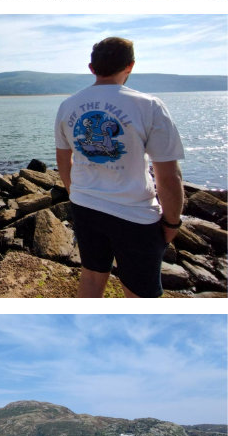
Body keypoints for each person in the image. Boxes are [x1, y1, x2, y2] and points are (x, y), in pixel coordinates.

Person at [54, 37, 185, 298]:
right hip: (135, 215)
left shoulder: (67, 106)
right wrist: (173, 222)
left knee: (91, 277)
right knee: (140, 294)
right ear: (131, 65)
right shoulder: (149, 106)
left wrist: (75, 194)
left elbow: (62, 161)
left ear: (92, 68)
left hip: (85, 206)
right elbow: (168, 177)